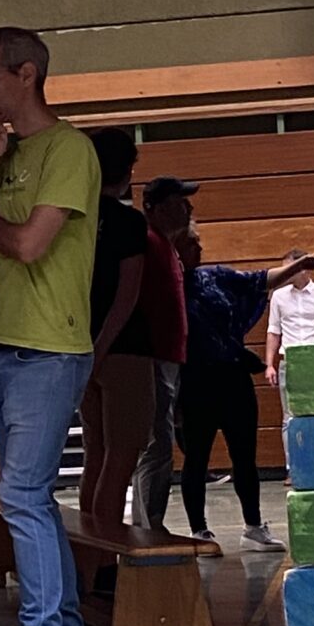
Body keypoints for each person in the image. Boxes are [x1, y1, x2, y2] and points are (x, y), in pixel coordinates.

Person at [0, 26, 101, 626]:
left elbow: (29, 244)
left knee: (20, 498)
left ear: (26, 75)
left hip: (49, 348)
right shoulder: (4, 153)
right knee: (31, 500)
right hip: (4, 349)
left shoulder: (68, 150)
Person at [175, 236, 314, 552]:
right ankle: (199, 530)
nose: (199, 247)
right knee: (196, 457)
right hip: (195, 381)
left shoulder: (215, 275)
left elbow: (259, 280)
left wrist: (297, 265)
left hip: (233, 376)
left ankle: (253, 527)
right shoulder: (168, 287)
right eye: (191, 243)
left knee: (244, 457)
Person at [77, 128, 153, 529]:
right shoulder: (128, 222)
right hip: (122, 349)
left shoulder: (74, 219)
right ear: (127, 171)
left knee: (96, 454)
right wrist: (101, 348)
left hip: (80, 345)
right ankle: (104, 555)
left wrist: (87, 352)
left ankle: (89, 552)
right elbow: (127, 295)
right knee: (121, 456)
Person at [134, 175, 194, 527]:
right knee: (155, 446)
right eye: (177, 203)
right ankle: (148, 526)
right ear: (153, 209)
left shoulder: (168, 247)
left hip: (168, 358)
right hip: (152, 357)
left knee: (160, 445)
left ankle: (149, 522)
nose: (187, 209)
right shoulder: (148, 243)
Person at [264, 251, 314, 386]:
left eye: (289, 269)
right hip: (290, 360)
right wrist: (269, 365)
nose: (284, 274)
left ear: (302, 269)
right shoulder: (278, 296)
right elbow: (274, 331)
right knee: (289, 399)